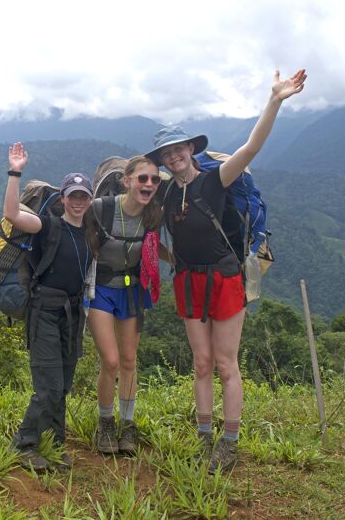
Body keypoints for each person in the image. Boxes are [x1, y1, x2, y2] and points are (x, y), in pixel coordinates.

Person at [146, 69, 306, 473]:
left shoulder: (216, 180)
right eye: (166, 153)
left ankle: (229, 443)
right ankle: (204, 439)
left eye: (178, 149)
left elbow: (251, 148)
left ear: (189, 149)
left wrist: (274, 100)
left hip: (225, 278)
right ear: (162, 160)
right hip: (188, 280)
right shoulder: (164, 192)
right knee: (201, 363)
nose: (173, 156)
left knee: (225, 363)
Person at [4, 141, 99, 470]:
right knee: (49, 386)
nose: (77, 201)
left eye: (83, 196)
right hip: (44, 311)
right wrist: (15, 171)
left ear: (89, 200)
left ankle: (54, 445)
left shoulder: (89, 233)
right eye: (72, 195)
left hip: (72, 317)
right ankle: (25, 443)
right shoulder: (49, 226)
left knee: (64, 384)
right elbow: (13, 214)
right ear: (63, 199)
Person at [88, 155, 163, 455]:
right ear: (127, 180)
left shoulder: (153, 215)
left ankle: (127, 425)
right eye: (142, 178)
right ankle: (105, 422)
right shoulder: (102, 209)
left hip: (132, 291)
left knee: (129, 361)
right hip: (101, 290)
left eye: (154, 180)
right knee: (111, 361)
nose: (148, 184)